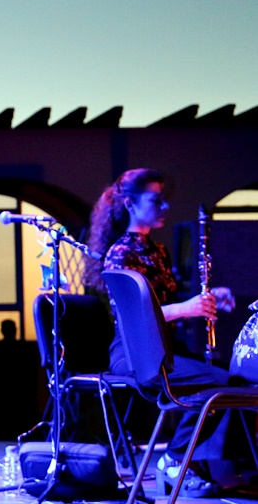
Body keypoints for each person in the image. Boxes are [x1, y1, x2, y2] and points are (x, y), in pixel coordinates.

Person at [84, 168, 238, 496]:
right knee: (222, 384)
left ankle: (184, 460)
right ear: (129, 204)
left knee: (228, 381)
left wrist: (207, 299)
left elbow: (161, 307)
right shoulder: (121, 254)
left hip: (162, 349)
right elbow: (131, 318)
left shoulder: (156, 251)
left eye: (164, 200)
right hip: (135, 354)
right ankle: (176, 459)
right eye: (156, 200)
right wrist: (188, 308)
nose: (164, 207)